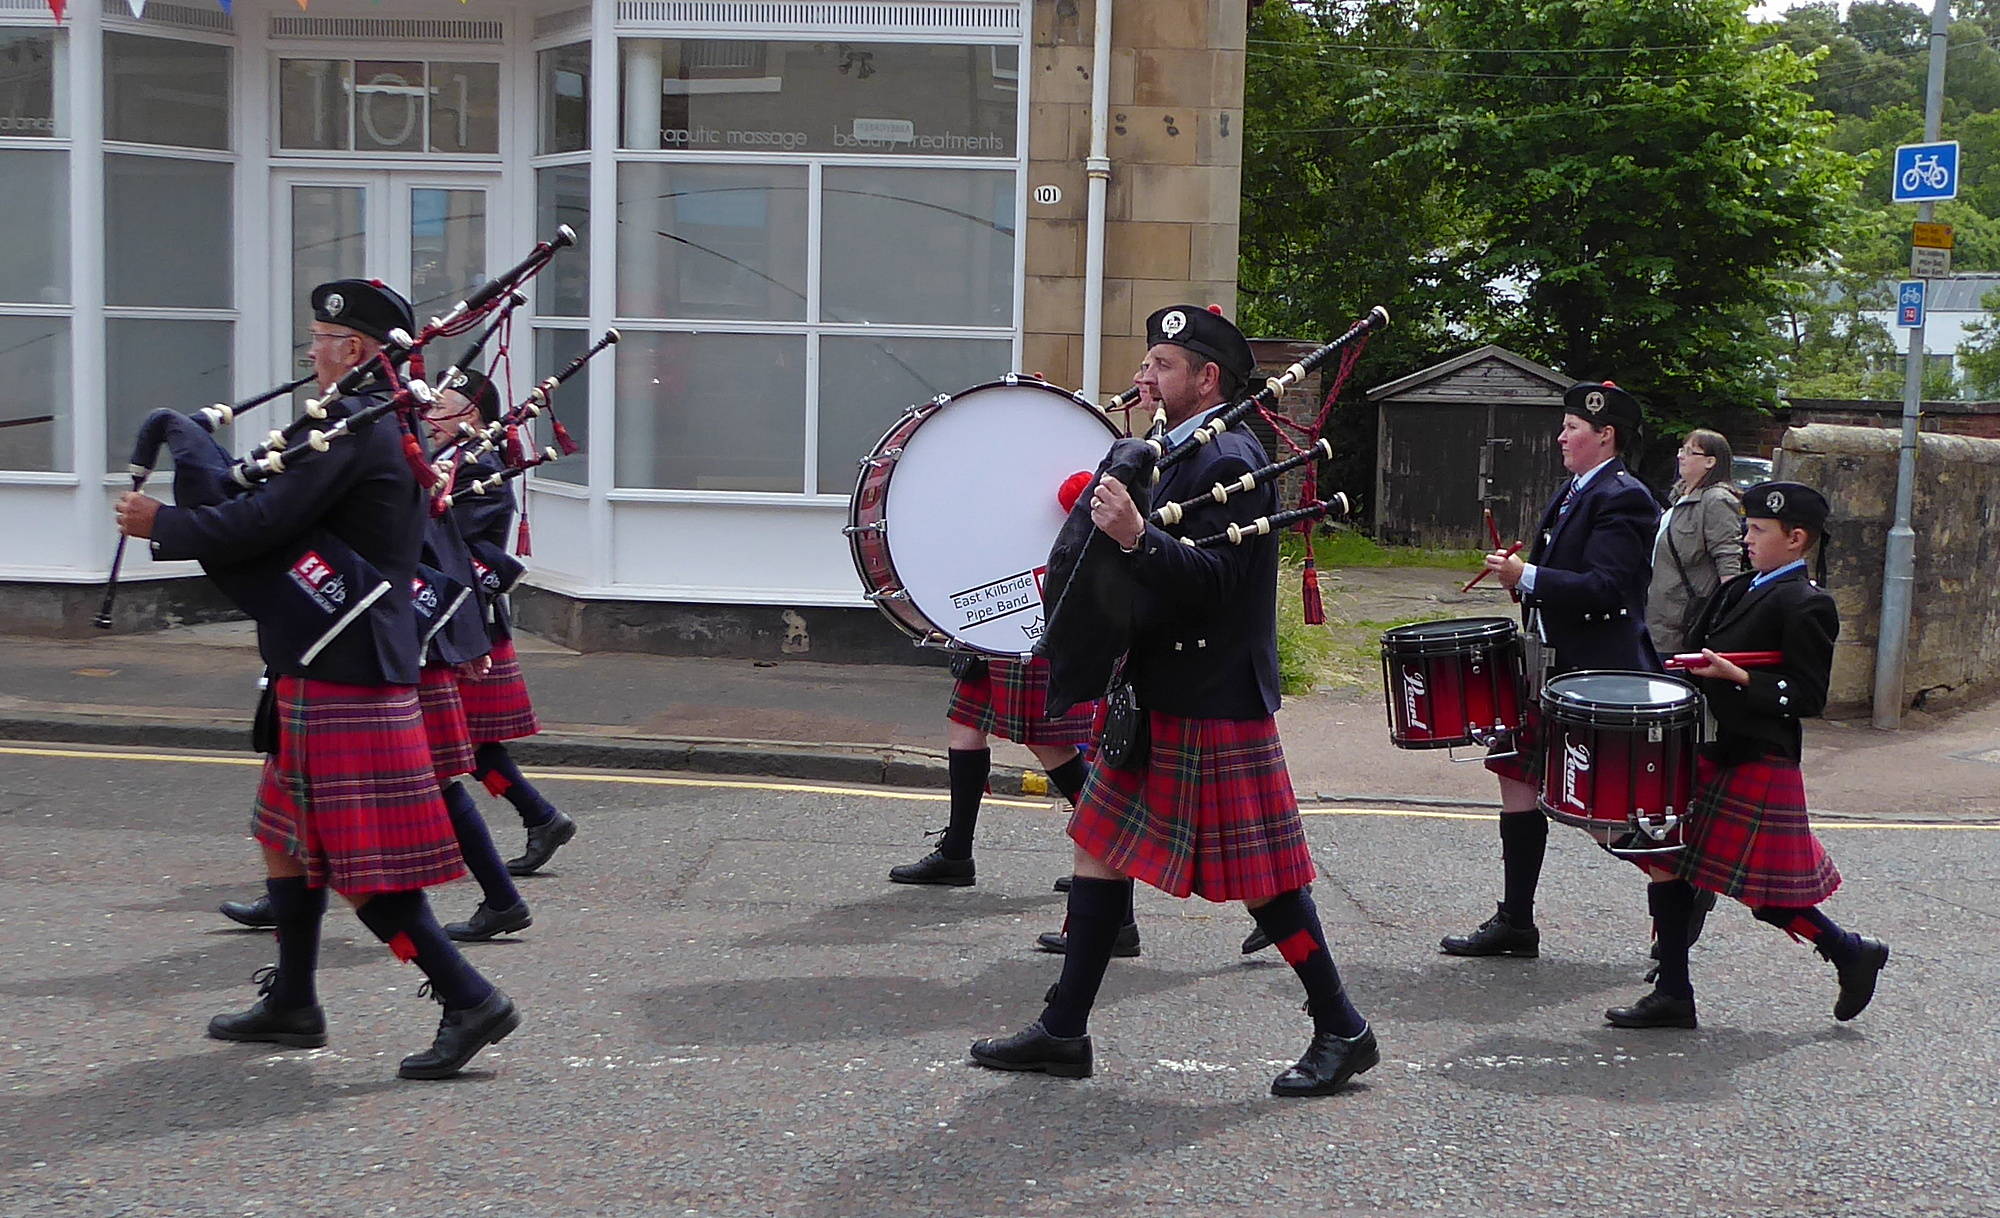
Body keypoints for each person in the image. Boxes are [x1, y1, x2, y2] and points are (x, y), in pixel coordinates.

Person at [968, 304, 1377, 1096]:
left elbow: (1218, 583)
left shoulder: (1232, 457)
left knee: (1264, 878)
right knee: (1097, 842)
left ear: (1206, 377)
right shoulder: (1174, 446)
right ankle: (1064, 1030)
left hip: (1210, 693)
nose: (1145, 377)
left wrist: (1134, 537)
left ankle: (1342, 1027)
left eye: (1160, 364)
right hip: (1158, 686)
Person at [116, 279, 518, 1079]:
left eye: (321, 338)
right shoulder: (377, 420)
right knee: (284, 841)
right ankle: (294, 1000)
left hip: (347, 668)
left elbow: (266, 520)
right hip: (329, 656)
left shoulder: (359, 428)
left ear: (357, 350)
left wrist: (167, 525)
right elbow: (270, 499)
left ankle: (468, 998)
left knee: (362, 868)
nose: (311, 351)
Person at [1606, 481, 1888, 1028]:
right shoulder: (1740, 589)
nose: (1746, 538)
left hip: (1758, 755)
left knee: (1765, 896)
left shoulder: (1809, 603)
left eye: (1758, 530)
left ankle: (1852, 951)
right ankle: (1674, 995)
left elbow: (1808, 695)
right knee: (1664, 864)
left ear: (1796, 538)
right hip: (1710, 746)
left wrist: (1740, 677)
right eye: (1748, 527)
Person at [1443, 380, 1662, 959]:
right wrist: (1526, 583)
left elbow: (1609, 588)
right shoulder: (1575, 491)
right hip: (1550, 667)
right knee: (1514, 777)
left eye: (1572, 428)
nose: (1561, 436)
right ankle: (1516, 921)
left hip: (1597, 677)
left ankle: (1678, 883)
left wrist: (1529, 577)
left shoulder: (1626, 497)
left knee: (1602, 813)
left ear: (1605, 434)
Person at [429, 371, 577, 876]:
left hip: (464, 627)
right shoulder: (444, 464)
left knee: (459, 744)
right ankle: (539, 818)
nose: (427, 416)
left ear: (469, 413)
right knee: (467, 744)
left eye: (439, 406)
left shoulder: (480, 471)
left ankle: (530, 826)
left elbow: (445, 544)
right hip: (443, 623)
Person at [1647, 428, 1746, 657]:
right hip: (1657, 621)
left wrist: (1723, 621)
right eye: (1682, 450)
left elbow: (1728, 559)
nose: (1681, 456)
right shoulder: (1678, 496)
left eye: (1690, 452)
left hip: (1682, 628)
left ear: (1710, 462)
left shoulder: (1717, 500)